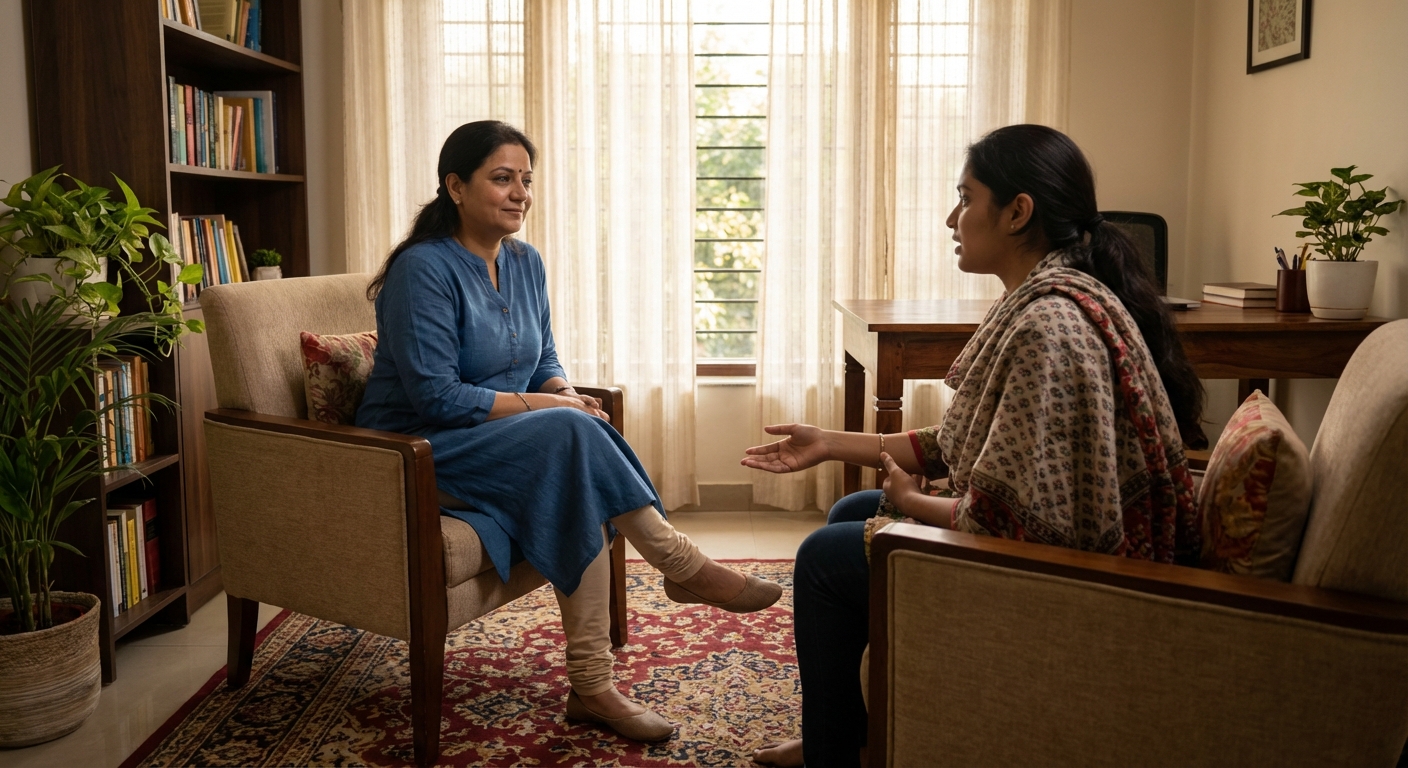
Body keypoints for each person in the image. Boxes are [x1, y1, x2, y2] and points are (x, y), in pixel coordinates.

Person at [745, 124, 1204, 768]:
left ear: (1018, 212)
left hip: (1082, 585)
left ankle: (833, 755)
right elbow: (950, 446)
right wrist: (826, 443)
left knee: (824, 558)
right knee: (852, 512)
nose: (950, 218)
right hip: (1064, 551)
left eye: (965, 198)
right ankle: (847, 736)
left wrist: (913, 502)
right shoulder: (1045, 296)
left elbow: (1011, 522)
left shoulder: (1048, 325)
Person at [356, 120, 783, 743]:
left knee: (574, 452)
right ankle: (679, 567)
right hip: (418, 449)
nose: (520, 193)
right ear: (456, 186)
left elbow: (544, 357)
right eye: (502, 178)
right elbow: (437, 398)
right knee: (568, 434)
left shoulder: (524, 261)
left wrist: (562, 392)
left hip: (496, 439)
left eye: (526, 180)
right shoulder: (423, 269)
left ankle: (593, 686)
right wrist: (551, 408)